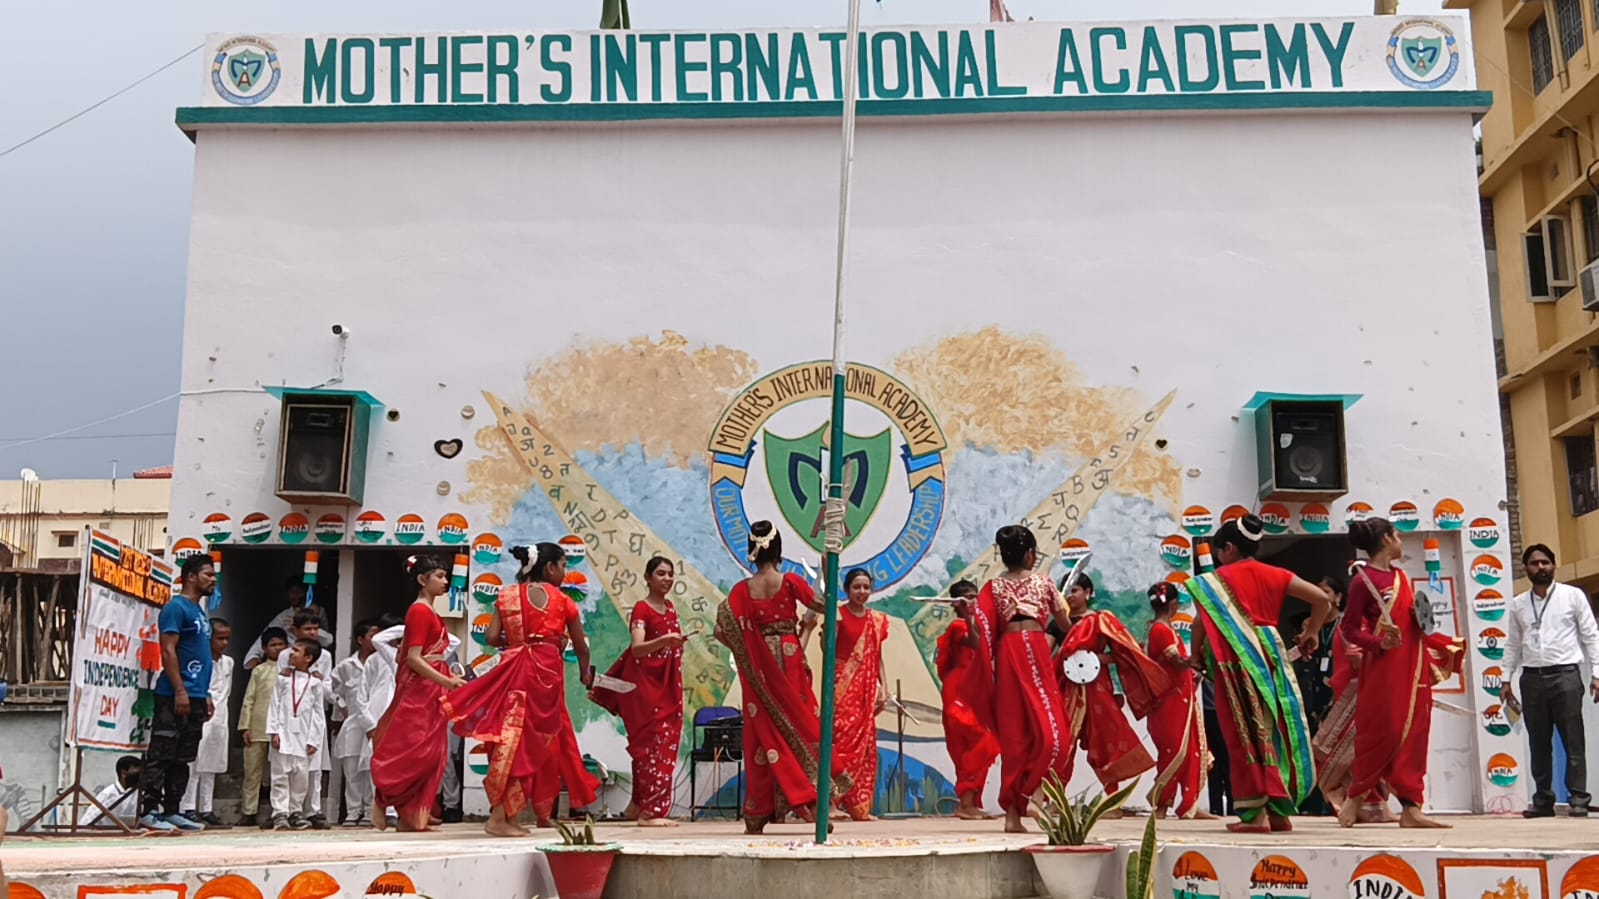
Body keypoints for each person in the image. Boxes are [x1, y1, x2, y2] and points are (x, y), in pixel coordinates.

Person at [1184, 513, 1332, 834]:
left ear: (1228, 549)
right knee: (1275, 729)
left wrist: (1195, 655)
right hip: (1270, 654)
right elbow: (1321, 599)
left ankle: (1256, 816)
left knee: (1245, 734)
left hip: (1235, 660)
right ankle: (1279, 812)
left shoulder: (1216, 582)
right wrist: (1313, 633)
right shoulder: (1276, 574)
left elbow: (1199, 622)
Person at [445, 543, 599, 835]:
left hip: (514, 671)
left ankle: (506, 815)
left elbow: (491, 637)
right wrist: (584, 674)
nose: (565, 572)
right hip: (547, 676)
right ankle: (500, 818)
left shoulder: (506, 596)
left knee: (510, 740)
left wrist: (518, 640)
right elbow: (580, 647)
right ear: (550, 567)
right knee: (535, 745)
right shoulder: (563, 601)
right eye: (564, 565)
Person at [713, 520, 848, 834]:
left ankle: (757, 817)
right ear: (778, 549)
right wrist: (829, 573)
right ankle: (816, 806)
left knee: (763, 738)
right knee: (802, 727)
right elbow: (825, 605)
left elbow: (721, 631)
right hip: (789, 661)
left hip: (758, 671)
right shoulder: (789, 582)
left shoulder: (741, 591)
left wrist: (751, 651)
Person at [1336, 517, 1461, 829]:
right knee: (1383, 732)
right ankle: (1355, 797)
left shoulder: (1402, 577)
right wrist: (1378, 642)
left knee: (1416, 732)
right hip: (1382, 669)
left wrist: (1443, 644)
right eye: (1398, 536)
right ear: (1387, 540)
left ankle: (1411, 807)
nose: (1401, 541)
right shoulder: (1362, 581)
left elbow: (1415, 626)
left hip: (1412, 666)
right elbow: (1349, 629)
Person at [961, 525, 1076, 834]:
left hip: (1012, 655)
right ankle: (1017, 811)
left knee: (1026, 737)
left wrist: (969, 618)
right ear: (1030, 555)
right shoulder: (1044, 583)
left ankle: (1029, 799)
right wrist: (1062, 607)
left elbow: (979, 638)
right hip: (1030, 654)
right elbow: (1065, 625)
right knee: (1045, 736)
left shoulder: (991, 588)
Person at [1501, 543, 1599, 818]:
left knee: (1573, 739)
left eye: (1545, 562)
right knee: (1538, 742)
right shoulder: (1518, 603)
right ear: (1526, 569)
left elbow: (1592, 635)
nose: (1540, 567)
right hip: (1531, 679)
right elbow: (1512, 645)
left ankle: (1578, 798)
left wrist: (1597, 674)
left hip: (1566, 675)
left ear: (1554, 565)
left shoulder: (1573, 596)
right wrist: (1505, 679)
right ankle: (1543, 800)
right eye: (1535, 563)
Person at [370, 555, 467, 832]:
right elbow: (413, 658)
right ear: (422, 580)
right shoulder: (420, 611)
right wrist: (447, 682)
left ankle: (409, 814)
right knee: (416, 751)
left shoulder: (430, 611)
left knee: (433, 752)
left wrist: (448, 679)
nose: (445, 581)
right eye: (439, 576)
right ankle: (384, 797)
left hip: (431, 687)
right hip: (420, 689)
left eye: (445, 576)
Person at [591, 556, 686, 827]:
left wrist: (673, 645)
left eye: (670, 574)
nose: (667, 578)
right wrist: (666, 641)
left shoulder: (670, 608)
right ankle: (651, 813)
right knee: (651, 747)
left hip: (666, 688)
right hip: (645, 690)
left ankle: (636, 805)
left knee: (655, 747)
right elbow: (637, 648)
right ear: (647, 577)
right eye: (661, 573)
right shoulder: (642, 610)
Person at [1057, 573, 1167, 806]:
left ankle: (1113, 801)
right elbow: (1047, 655)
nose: (1070, 595)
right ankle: (1053, 800)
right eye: (1066, 590)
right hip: (1067, 690)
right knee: (1063, 744)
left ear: (1088, 593)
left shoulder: (1100, 621)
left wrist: (1093, 658)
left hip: (1097, 689)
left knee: (1105, 744)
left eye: (1075, 590)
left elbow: (1122, 653)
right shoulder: (1057, 622)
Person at [138, 554, 217, 832]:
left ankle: (173, 809)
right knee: (163, 751)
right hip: (174, 694)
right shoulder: (176, 608)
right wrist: (180, 689)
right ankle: (149, 810)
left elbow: (201, 655)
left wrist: (204, 694)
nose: (213, 579)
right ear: (192, 577)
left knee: (184, 755)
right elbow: (168, 650)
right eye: (208, 574)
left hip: (196, 694)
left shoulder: (200, 612)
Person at [1311, 584, 1396, 826]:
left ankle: (1372, 806)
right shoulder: (1357, 625)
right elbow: (1357, 659)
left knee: (1365, 752)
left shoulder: (1361, 624)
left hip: (1363, 692)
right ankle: (1360, 805)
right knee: (1348, 754)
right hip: (1357, 693)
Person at [1145, 582, 1210, 820]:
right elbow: (1176, 663)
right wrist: (1195, 657)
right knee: (1174, 753)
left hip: (1178, 700)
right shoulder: (1160, 631)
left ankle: (1189, 804)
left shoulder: (1158, 629)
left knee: (1189, 750)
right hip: (1170, 702)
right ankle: (1161, 804)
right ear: (1174, 605)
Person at [936, 579, 999, 821]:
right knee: (979, 740)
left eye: (976, 596)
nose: (974, 601)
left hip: (977, 690)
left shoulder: (979, 625)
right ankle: (965, 801)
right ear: (957, 603)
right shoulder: (957, 626)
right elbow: (974, 642)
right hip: (958, 690)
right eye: (968, 598)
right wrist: (972, 615)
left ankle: (970, 802)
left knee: (980, 743)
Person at [830, 568, 890, 822]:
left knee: (865, 747)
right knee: (841, 743)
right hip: (842, 688)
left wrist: (883, 687)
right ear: (847, 589)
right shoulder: (838, 615)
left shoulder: (876, 619)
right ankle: (831, 803)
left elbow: (877, 657)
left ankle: (858, 807)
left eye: (866, 587)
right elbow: (828, 650)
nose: (862, 592)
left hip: (866, 691)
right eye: (857, 587)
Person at [275, 608, 333, 828]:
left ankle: (313, 810)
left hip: (312, 718)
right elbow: (281, 688)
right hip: (289, 719)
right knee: (288, 768)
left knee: (314, 768)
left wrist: (317, 680)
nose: (312, 632)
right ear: (295, 630)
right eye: (307, 628)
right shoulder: (286, 655)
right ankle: (286, 811)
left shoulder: (324, 656)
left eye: (316, 628)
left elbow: (329, 689)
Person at [182, 617, 234, 827]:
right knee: (195, 763)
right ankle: (187, 806)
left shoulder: (228, 662)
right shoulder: (199, 660)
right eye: (219, 638)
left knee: (212, 764)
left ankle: (206, 808)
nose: (224, 643)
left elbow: (226, 690)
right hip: (202, 716)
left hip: (221, 717)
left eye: (227, 639)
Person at [331, 619, 380, 827]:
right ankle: (353, 811)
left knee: (370, 767)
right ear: (360, 640)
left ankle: (370, 810)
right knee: (351, 768)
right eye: (371, 635)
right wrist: (341, 705)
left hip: (373, 722)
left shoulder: (382, 662)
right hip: (352, 723)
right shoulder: (346, 666)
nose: (376, 640)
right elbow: (331, 688)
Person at [238, 627, 287, 828]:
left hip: (281, 729)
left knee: (278, 773)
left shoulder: (290, 671)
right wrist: (245, 726)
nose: (277, 649)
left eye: (281, 644)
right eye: (273, 645)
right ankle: (248, 811)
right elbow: (249, 698)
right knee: (252, 771)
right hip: (258, 726)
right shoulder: (259, 670)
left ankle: (278, 812)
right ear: (265, 649)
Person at [244, 576, 332, 668]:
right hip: (291, 663)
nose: (295, 595)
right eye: (291, 592)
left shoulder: (318, 612)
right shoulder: (284, 616)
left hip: (315, 660)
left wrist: (306, 624)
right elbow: (266, 636)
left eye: (298, 592)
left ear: (306, 593)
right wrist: (253, 657)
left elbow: (328, 640)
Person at [78, 756, 143, 826]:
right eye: (137, 772)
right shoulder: (108, 794)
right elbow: (86, 822)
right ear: (124, 773)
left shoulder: (138, 793)